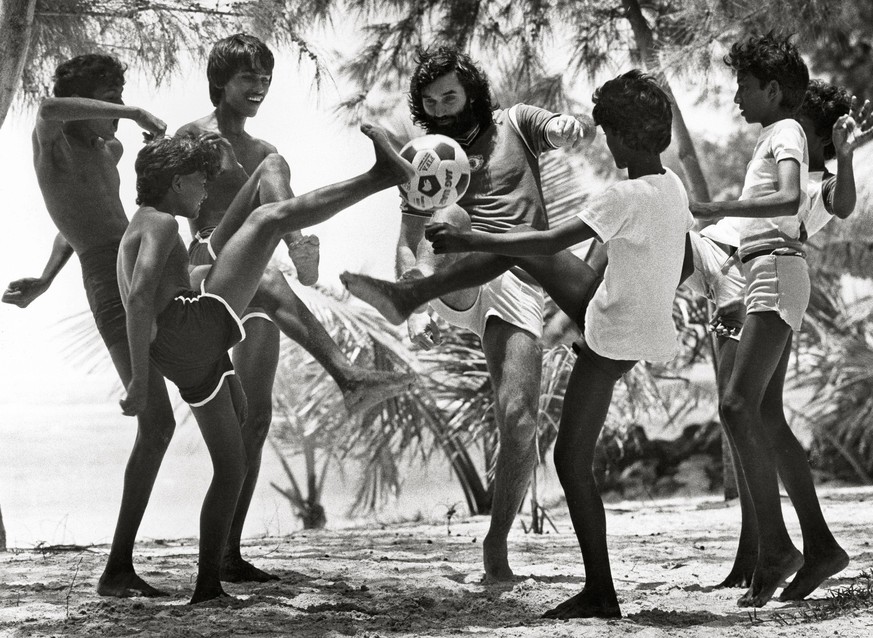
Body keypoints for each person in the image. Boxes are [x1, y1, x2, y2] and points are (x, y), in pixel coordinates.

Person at [344, 70, 692, 619]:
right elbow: (686, 258)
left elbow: (549, 240)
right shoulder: (671, 188)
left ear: (621, 138)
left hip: (606, 325)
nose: (602, 141)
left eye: (605, 132)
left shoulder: (617, 190)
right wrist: (638, 280)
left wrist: (473, 237)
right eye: (430, 103)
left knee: (526, 251)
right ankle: (600, 592)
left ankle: (413, 297)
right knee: (572, 461)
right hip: (628, 330)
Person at [118, 126, 413, 602]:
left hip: (187, 356)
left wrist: (149, 359)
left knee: (232, 465)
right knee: (271, 220)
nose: (205, 192)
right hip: (190, 330)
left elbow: (144, 293)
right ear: (176, 183)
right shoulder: (162, 224)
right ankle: (381, 176)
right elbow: (137, 298)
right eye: (199, 182)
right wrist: (137, 382)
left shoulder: (142, 222)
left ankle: (207, 586)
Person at [174, 33, 414, 582]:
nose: (258, 88)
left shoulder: (260, 151)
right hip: (207, 270)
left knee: (255, 420)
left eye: (265, 79)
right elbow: (162, 197)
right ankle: (346, 370)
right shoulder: (192, 138)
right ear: (220, 83)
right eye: (247, 79)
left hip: (255, 279)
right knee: (275, 270)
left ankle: (229, 556)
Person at [393, 46, 591, 581]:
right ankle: (421, 300)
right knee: (450, 210)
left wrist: (570, 128)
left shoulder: (516, 123)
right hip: (456, 275)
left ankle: (496, 544)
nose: (440, 110)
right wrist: (415, 306)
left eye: (450, 97)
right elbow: (410, 241)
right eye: (430, 102)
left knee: (520, 423)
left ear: (471, 91)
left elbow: (558, 128)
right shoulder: (427, 155)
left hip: (514, 282)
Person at [1, 54, 178, 598]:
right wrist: (132, 107)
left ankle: (222, 545)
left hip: (142, 258)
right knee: (157, 423)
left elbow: (83, 215)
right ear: (89, 99)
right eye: (109, 95)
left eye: (122, 91)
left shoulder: (112, 150)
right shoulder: (52, 143)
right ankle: (117, 569)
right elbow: (49, 107)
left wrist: (47, 278)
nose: (117, 110)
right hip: (107, 278)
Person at [687, 80, 872, 598]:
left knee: (736, 406)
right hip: (755, 270)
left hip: (769, 274)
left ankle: (776, 548)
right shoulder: (797, 172)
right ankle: (819, 547)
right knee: (762, 414)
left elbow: (843, 203)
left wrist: (846, 154)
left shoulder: (812, 184)